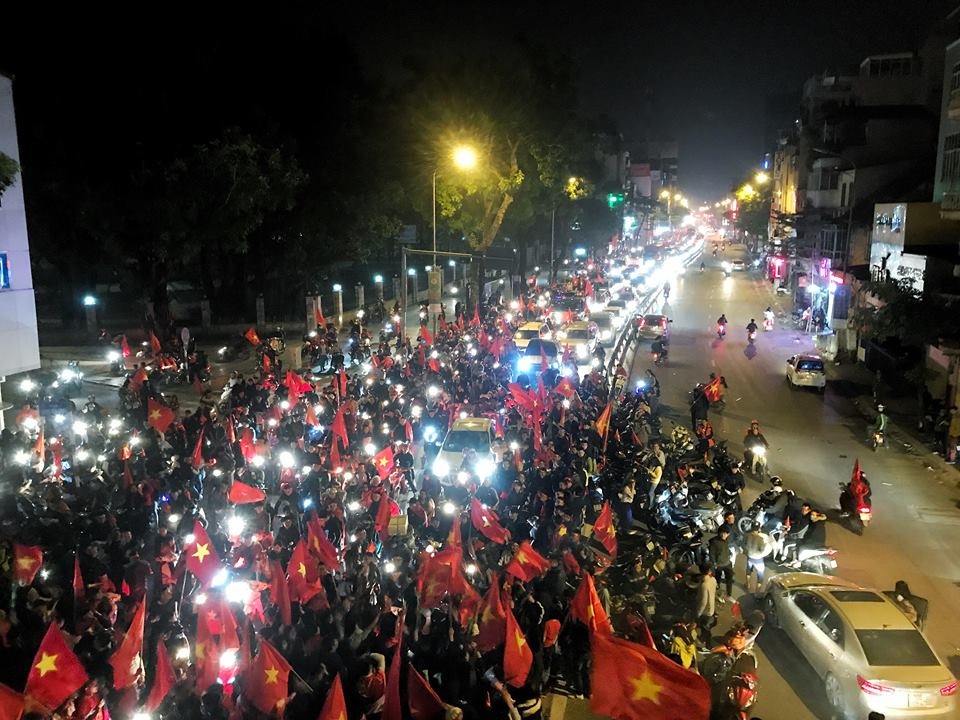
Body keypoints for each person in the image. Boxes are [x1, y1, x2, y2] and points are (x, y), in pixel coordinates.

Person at [743, 522, 774, 594]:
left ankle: (747, 584)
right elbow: (762, 550)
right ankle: (757, 591)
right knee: (760, 575)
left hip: (750, 556)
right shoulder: (761, 538)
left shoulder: (747, 535)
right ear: (759, 528)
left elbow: (744, 545)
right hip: (758, 560)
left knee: (748, 570)